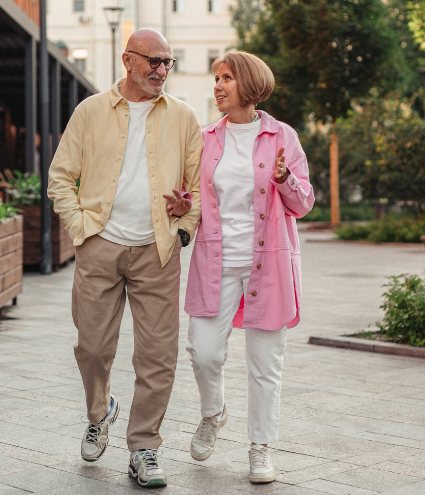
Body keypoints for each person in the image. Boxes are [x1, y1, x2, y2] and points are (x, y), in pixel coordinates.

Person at [47, 29, 201, 488]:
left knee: (158, 356)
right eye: (153, 61)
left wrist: (183, 225)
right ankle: (100, 412)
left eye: (168, 62)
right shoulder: (90, 111)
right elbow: (60, 177)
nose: (161, 70)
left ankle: (144, 448)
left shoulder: (184, 117)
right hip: (100, 245)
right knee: (92, 346)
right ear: (127, 60)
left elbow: (198, 187)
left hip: (158, 250)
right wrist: (81, 229)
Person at [182, 51, 314, 484]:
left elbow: (304, 204)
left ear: (250, 85)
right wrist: (184, 205)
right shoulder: (206, 139)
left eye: (227, 78)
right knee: (203, 354)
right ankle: (213, 412)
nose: (218, 86)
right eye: (216, 78)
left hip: (267, 266)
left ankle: (261, 447)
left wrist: (284, 180)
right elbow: (195, 199)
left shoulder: (283, 137)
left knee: (265, 364)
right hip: (215, 262)